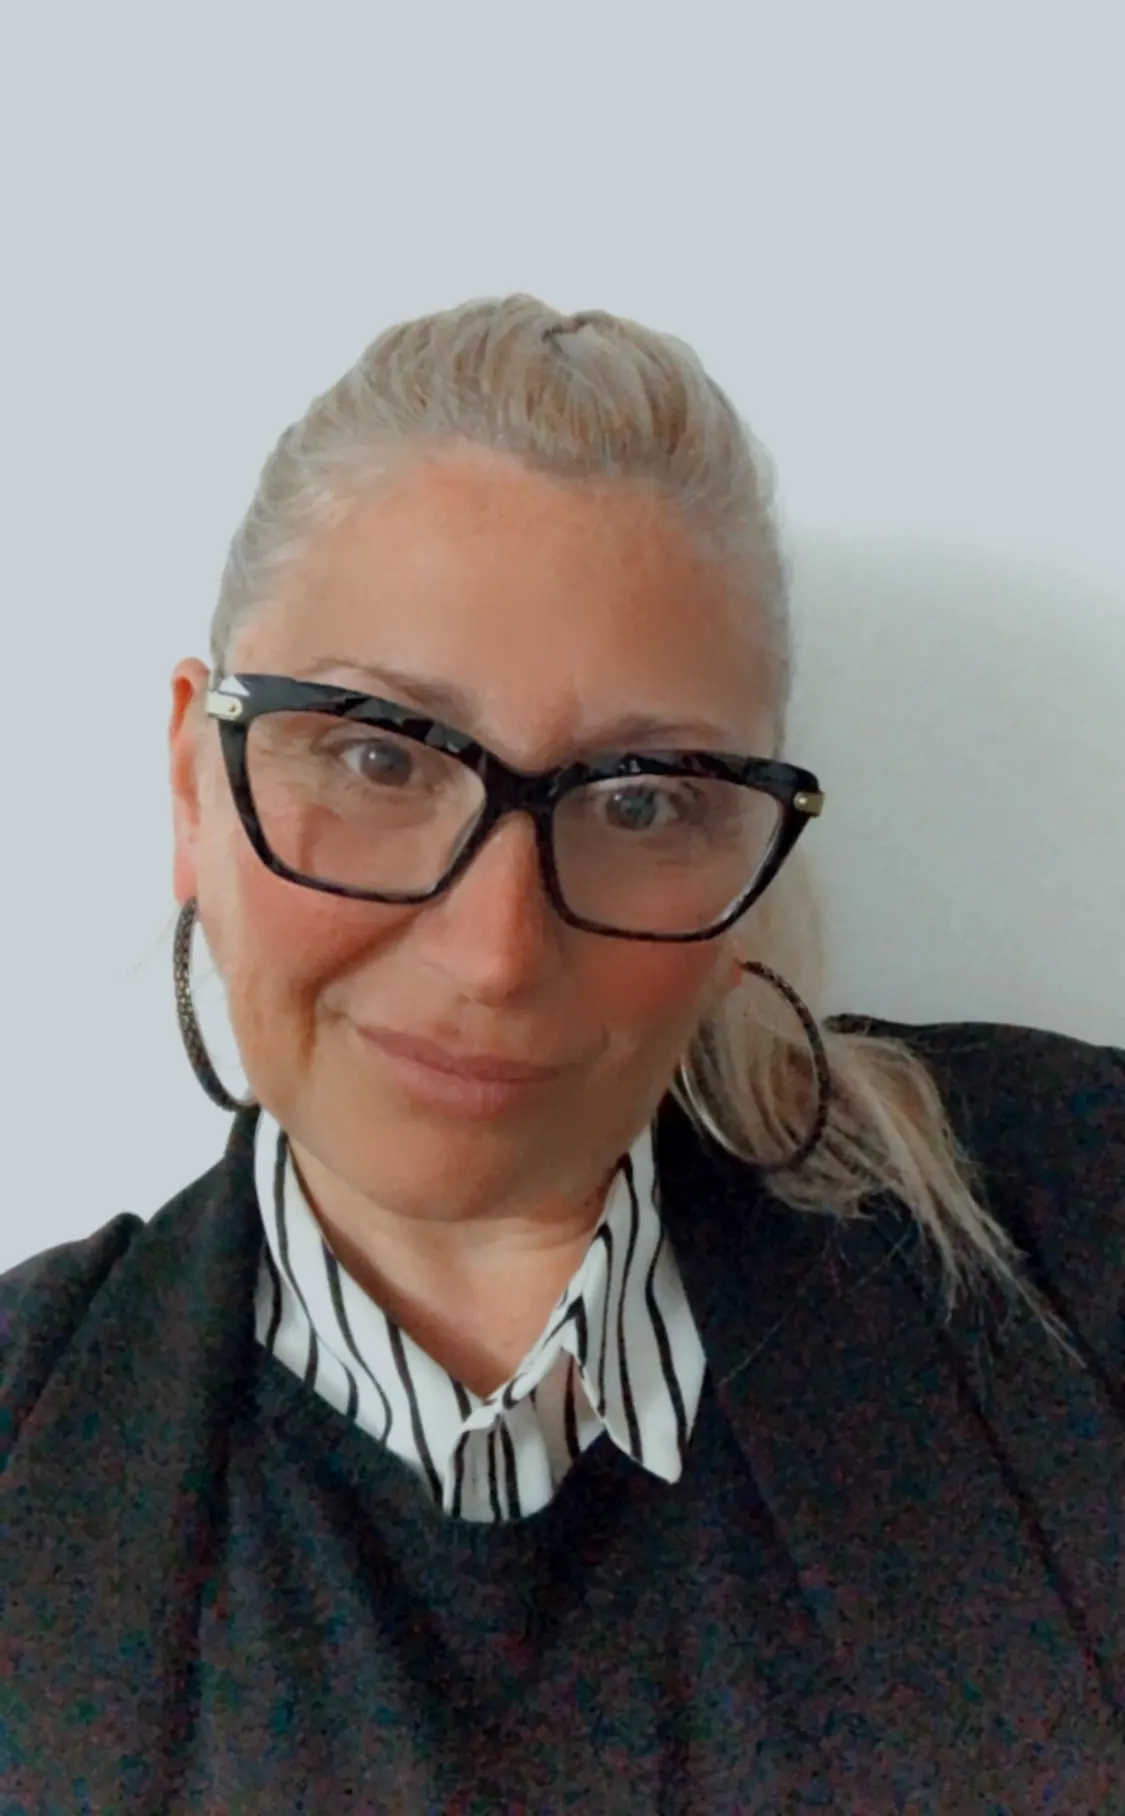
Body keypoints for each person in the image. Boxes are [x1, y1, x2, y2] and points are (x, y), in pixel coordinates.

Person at [1, 294, 1122, 1813]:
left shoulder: (1074, 1242)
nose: (497, 954)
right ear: (197, 784)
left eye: (643, 800)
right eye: (379, 754)